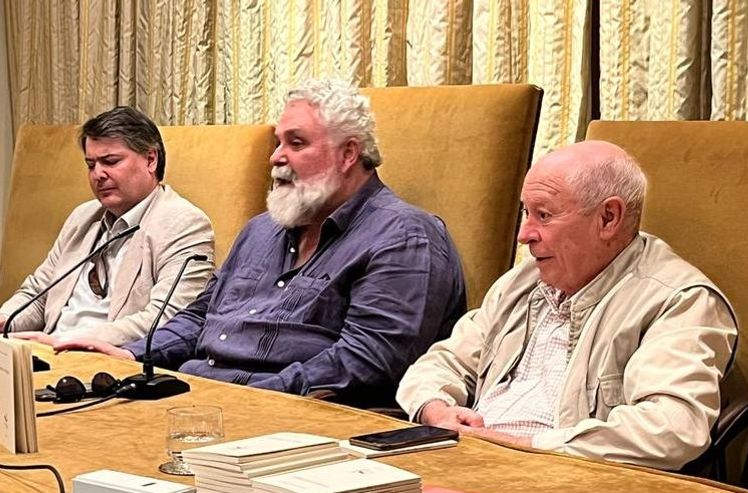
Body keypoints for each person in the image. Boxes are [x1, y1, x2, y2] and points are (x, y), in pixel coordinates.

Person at [59, 79, 467, 408]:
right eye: (277, 142)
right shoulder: (261, 230)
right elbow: (202, 316)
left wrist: (247, 397)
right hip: (198, 398)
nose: (275, 157)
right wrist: (134, 354)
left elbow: (369, 361)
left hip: (292, 423)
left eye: (296, 143)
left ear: (348, 154)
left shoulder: (405, 236)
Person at [396, 140, 738, 471]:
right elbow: (443, 361)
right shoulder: (523, 281)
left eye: (543, 215)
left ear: (608, 218)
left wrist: (533, 446)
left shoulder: (678, 300)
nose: (524, 234)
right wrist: (435, 407)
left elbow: (674, 427)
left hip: (565, 481)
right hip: (472, 461)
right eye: (525, 213)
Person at [0, 106, 214, 345]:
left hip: (113, 361)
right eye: (91, 165)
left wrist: (68, 340)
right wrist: (3, 319)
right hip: (48, 352)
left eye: (110, 161)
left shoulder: (184, 224)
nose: (98, 174)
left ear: (150, 159)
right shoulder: (82, 217)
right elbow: (38, 293)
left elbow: (167, 320)